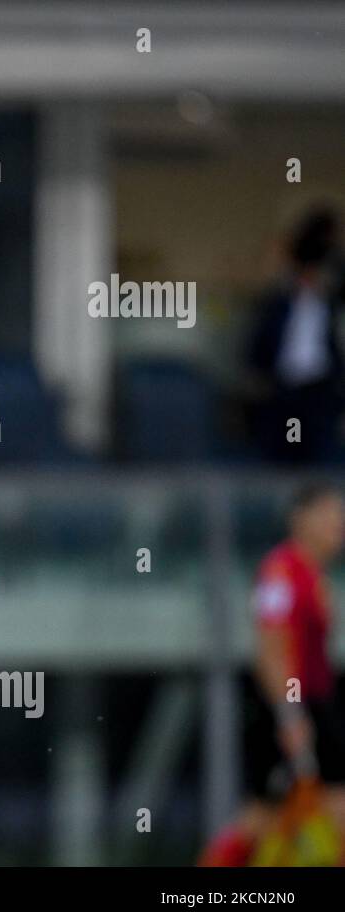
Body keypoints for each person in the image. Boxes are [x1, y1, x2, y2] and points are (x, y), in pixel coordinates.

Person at [200, 482, 345, 865]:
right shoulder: (281, 572)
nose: (339, 524)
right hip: (291, 706)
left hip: (316, 703)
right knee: (262, 818)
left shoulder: (314, 575)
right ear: (301, 519)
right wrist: (290, 712)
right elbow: (272, 649)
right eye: (330, 515)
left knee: (319, 810)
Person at [246, 208, 345, 464]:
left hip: (320, 388)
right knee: (279, 455)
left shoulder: (329, 305)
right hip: (283, 388)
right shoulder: (278, 302)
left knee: (318, 454)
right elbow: (260, 340)